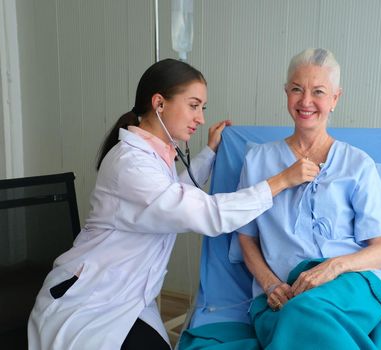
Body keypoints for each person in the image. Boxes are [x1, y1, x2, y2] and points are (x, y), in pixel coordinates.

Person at [27, 58, 320, 350]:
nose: (201, 118)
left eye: (202, 108)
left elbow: (170, 197)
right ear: (159, 103)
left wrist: (210, 151)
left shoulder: (153, 156)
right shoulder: (130, 164)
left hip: (127, 297)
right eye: (194, 105)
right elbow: (207, 213)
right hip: (90, 301)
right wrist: (281, 181)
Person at [236, 49, 381, 349]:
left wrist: (333, 267)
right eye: (296, 89)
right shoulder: (257, 161)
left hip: (352, 284)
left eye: (318, 92)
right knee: (297, 313)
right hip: (284, 291)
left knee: (303, 315)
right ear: (286, 93)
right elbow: (246, 239)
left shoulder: (357, 165)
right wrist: (270, 284)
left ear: (335, 99)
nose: (306, 101)